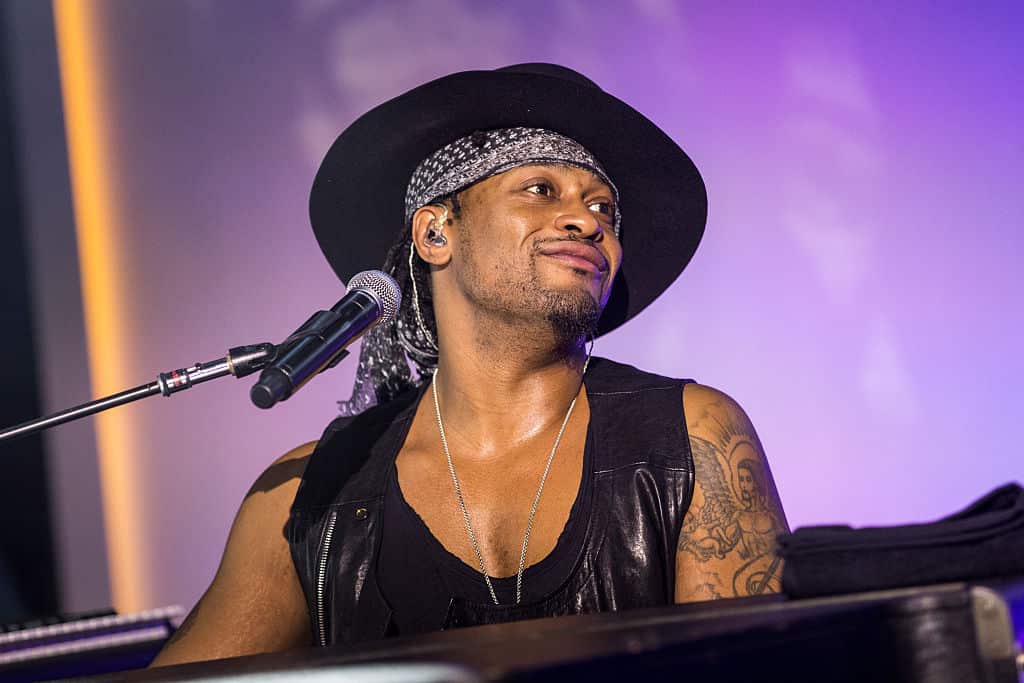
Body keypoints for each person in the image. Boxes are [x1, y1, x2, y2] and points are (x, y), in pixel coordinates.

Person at [151, 63, 788, 666]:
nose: (587, 222)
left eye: (605, 211)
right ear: (435, 234)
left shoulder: (690, 436)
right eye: (541, 190)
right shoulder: (309, 493)